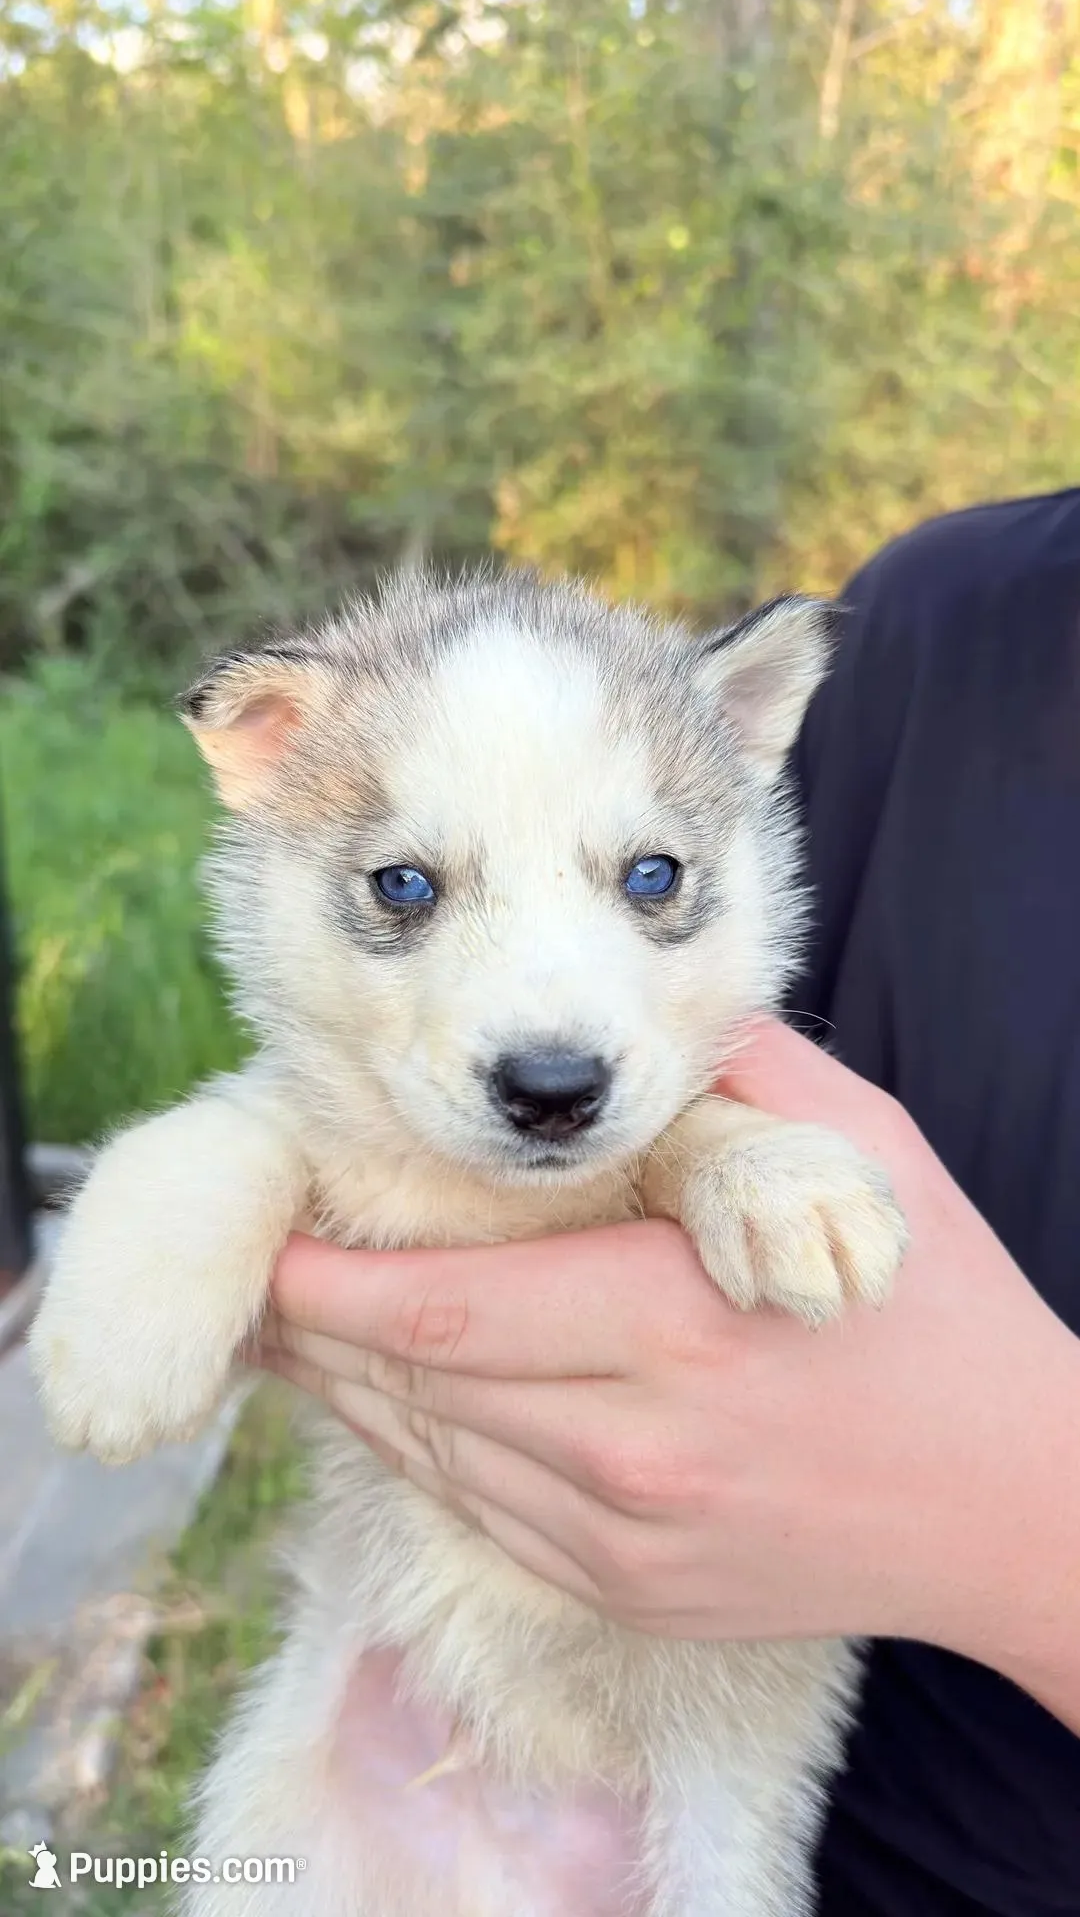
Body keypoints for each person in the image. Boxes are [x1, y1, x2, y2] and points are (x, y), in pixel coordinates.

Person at [252, 489, 1080, 1915]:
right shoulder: (935, 619)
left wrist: (1033, 1531)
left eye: (646, 878)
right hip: (778, 1814)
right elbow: (727, 1062)